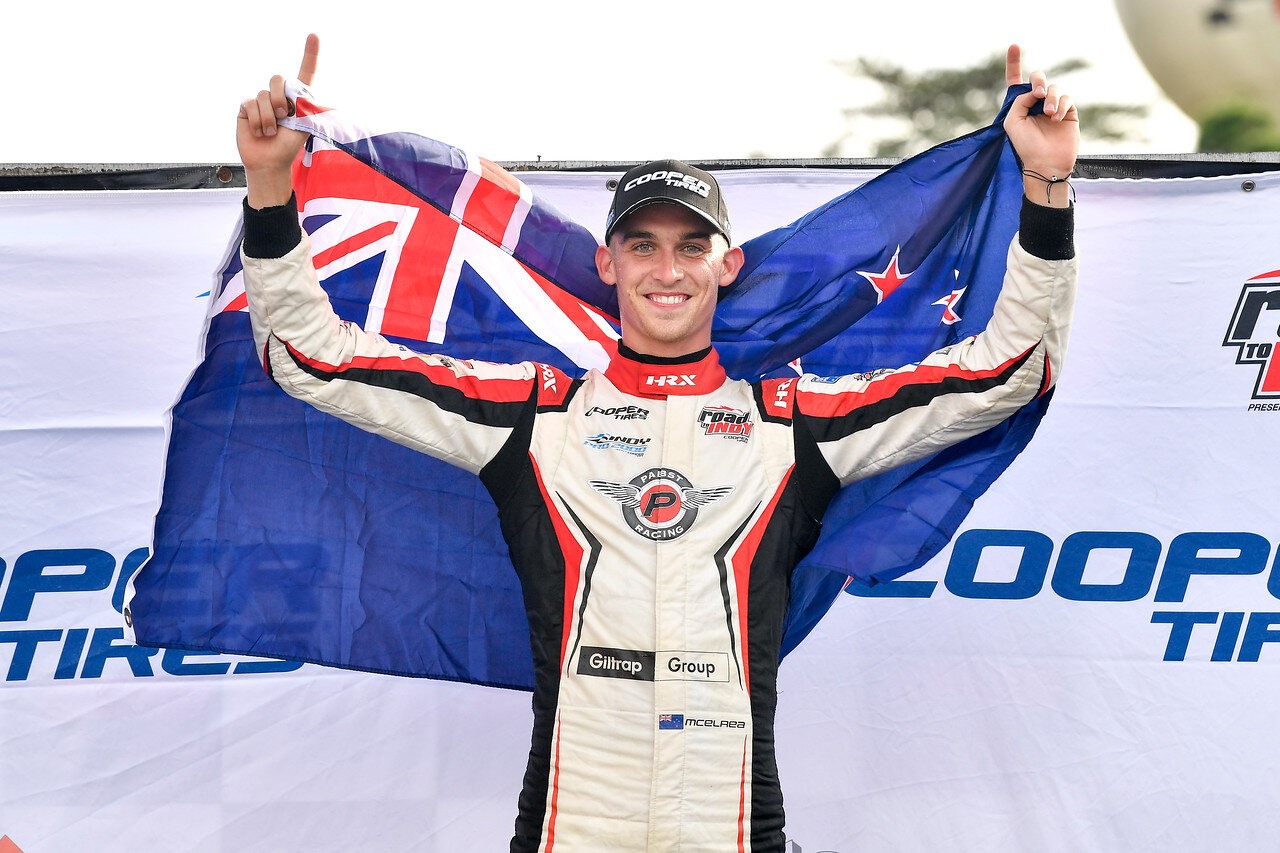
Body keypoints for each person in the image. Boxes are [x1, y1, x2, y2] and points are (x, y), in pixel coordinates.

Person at [236, 35, 1077, 852]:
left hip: (736, 824)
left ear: (727, 265)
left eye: (689, 247)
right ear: (608, 265)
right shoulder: (536, 415)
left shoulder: (793, 424)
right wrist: (272, 189)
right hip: (569, 822)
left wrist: (1044, 185)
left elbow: (1007, 370)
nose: (665, 269)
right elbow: (313, 356)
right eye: (643, 245)